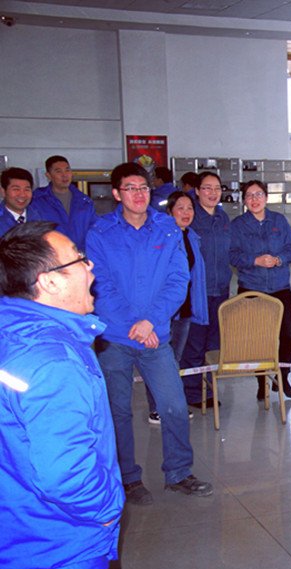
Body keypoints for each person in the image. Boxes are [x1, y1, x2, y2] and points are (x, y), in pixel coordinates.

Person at [0, 222, 124, 569]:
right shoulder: (54, 360)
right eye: (79, 259)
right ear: (49, 282)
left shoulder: (11, 332)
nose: (91, 266)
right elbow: (65, 474)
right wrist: (107, 511)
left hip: (17, 530)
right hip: (56, 552)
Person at [87, 162, 213, 505]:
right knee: (118, 411)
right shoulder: (100, 233)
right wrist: (136, 325)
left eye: (143, 188)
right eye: (130, 188)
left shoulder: (168, 229)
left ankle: (179, 472)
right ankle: (127, 478)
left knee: (174, 406)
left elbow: (178, 280)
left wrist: (151, 323)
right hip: (114, 337)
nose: (138, 194)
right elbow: (101, 286)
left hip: (156, 336)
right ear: (117, 194)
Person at [229, 180, 291, 400]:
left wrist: (279, 259)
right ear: (244, 200)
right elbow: (232, 255)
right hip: (252, 288)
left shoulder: (278, 220)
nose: (254, 199)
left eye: (258, 194)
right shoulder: (237, 225)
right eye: (249, 195)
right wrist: (255, 260)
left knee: (290, 334)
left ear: (266, 197)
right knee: (258, 338)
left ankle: (282, 378)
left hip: (279, 287)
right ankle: (261, 382)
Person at [146, 191, 207, 424]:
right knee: (157, 359)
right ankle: (157, 407)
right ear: (169, 212)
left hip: (184, 309)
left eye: (189, 208)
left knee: (175, 359)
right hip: (164, 310)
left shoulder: (191, 237)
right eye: (180, 208)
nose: (186, 212)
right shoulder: (161, 237)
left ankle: (173, 405)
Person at [180, 171, 231, 408]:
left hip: (221, 290)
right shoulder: (191, 217)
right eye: (207, 188)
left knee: (213, 344)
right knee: (194, 343)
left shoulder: (223, 217)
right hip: (197, 292)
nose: (213, 193)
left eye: (217, 188)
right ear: (197, 191)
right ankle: (192, 393)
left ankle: (207, 389)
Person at [30, 155, 98, 250]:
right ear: (48, 175)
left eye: (67, 170)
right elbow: (33, 233)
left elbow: (94, 230)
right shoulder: (37, 200)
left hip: (80, 255)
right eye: (58, 171)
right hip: (51, 255)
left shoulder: (84, 201)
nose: (64, 175)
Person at [0, 167, 46, 236]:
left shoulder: (41, 215)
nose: (22, 195)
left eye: (27, 190)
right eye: (16, 189)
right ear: (3, 192)